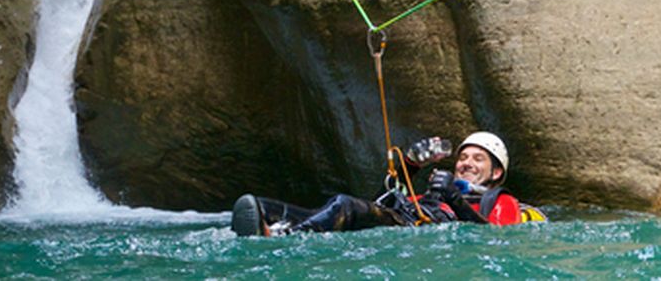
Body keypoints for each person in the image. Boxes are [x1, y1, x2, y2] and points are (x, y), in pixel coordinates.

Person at [231, 131, 541, 236]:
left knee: (344, 206)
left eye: (478, 159)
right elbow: (384, 200)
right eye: (463, 158)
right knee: (276, 208)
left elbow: (493, 238)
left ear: (496, 173)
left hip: (418, 229)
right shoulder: (435, 191)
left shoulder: (501, 201)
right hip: (409, 217)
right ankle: (266, 215)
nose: (466, 164)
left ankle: (284, 238)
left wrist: (455, 199)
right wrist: (411, 164)